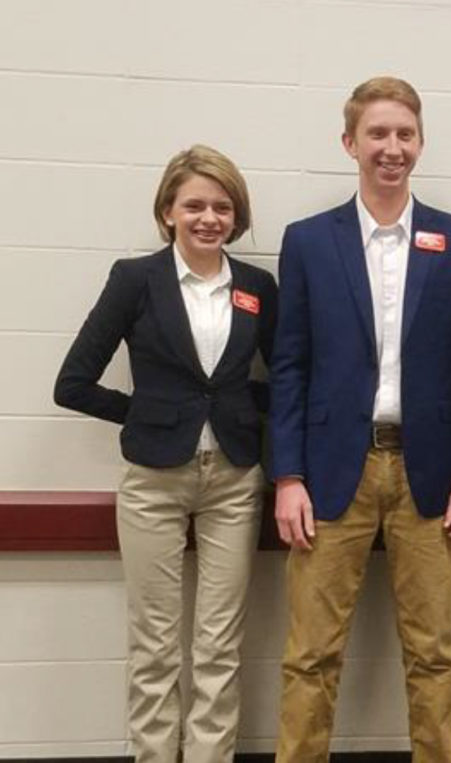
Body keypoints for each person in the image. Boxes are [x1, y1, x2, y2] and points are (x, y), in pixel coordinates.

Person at [270, 76, 451, 762]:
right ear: (350, 143)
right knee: (310, 654)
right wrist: (287, 475)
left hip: (430, 473)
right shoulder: (308, 241)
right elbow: (290, 367)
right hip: (333, 471)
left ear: (420, 143)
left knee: (434, 655)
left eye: (404, 134)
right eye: (377, 134)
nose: (391, 148)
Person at [53, 145, 278, 763]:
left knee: (219, 645)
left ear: (237, 216)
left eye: (222, 206)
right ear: (168, 212)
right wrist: (151, 413)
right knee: (154, 645)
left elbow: (282, 380)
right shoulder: (136, 279)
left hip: (234, 480)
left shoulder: (257, 287)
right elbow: (72, 383)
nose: (209, 217)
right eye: (195, 205)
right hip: (154, 481)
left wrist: (233, 403)